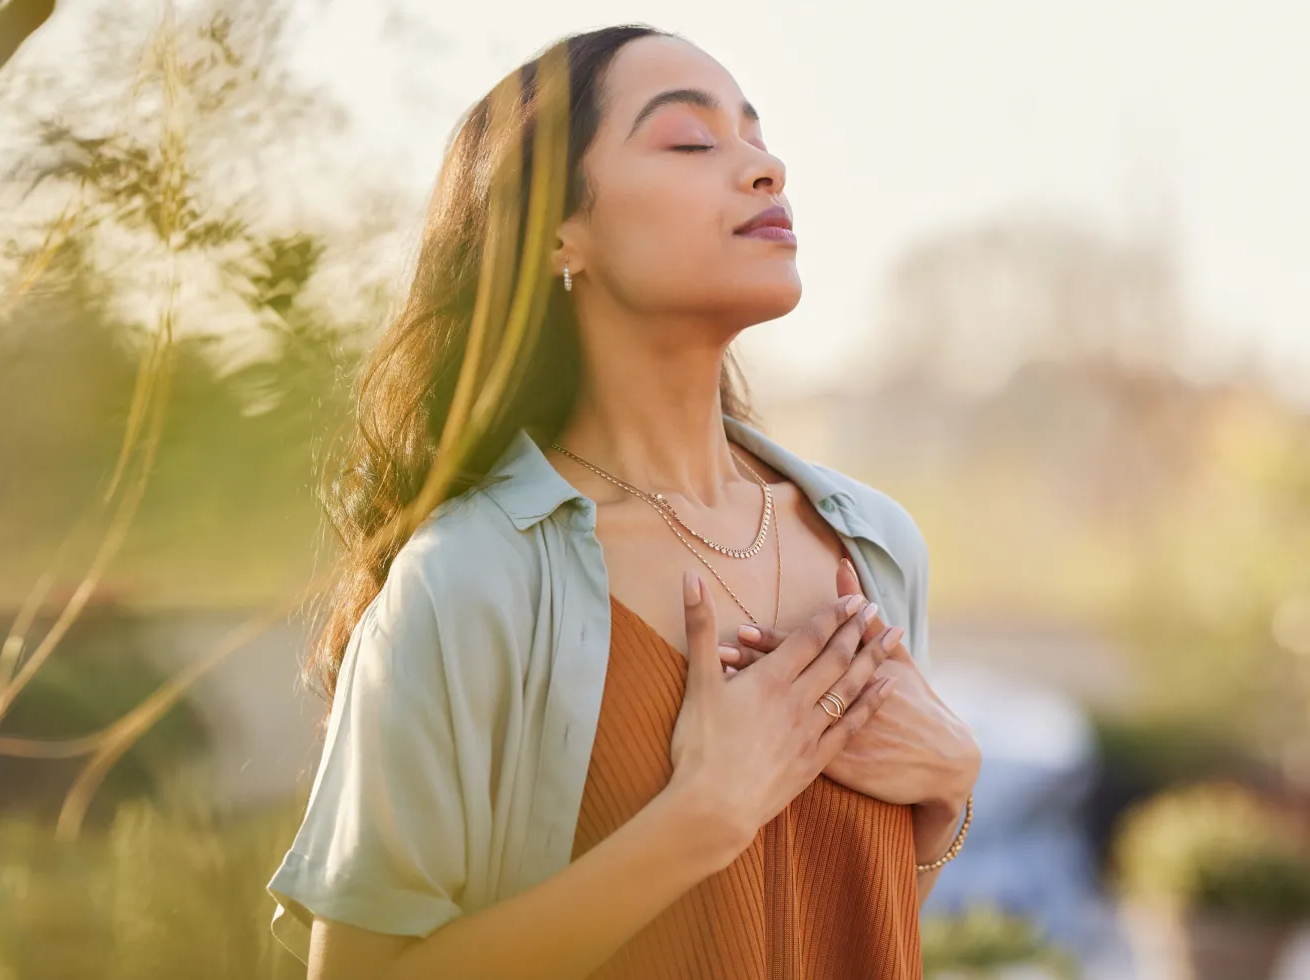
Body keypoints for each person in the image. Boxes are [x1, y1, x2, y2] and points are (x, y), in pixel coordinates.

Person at [266, 23, 980, 980]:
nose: (765, 168)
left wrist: (946, 797)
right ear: (562, 234)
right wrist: (699, 820)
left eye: (757, 137)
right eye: (691, 141)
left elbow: (845, 920)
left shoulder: (877, 545)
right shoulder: (470, 579)